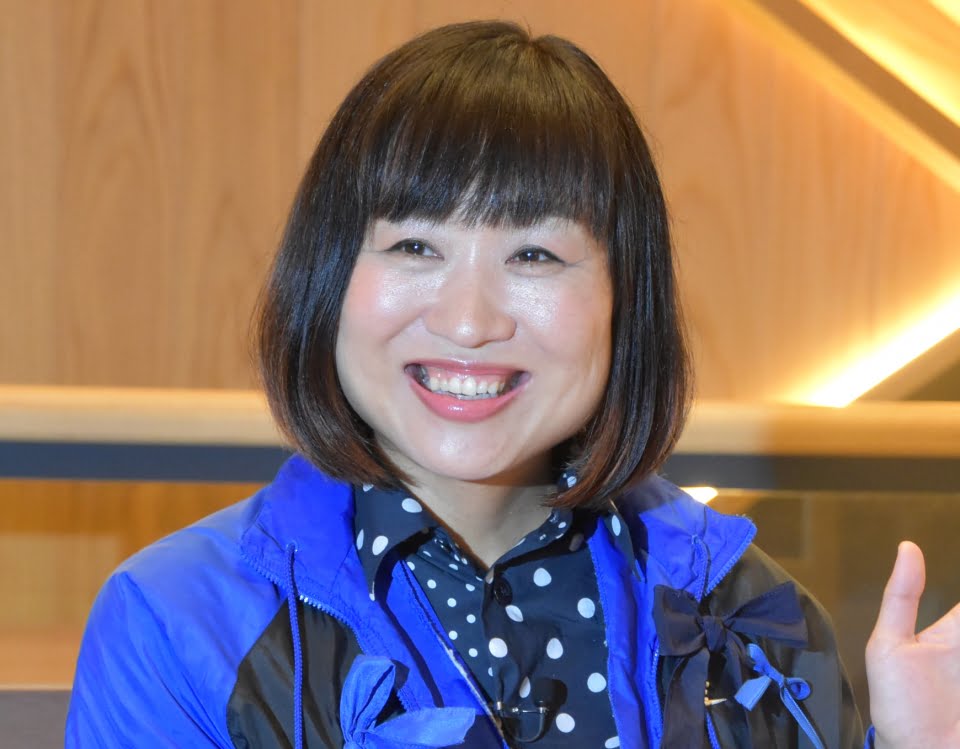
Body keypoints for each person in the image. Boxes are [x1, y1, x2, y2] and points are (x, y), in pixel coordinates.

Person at [66, 21, 959, 749]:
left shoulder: (747, 615)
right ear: (330, 277)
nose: (468, 320)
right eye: (416, 245)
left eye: (534, 254)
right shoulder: (178, 622)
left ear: (624, 300)